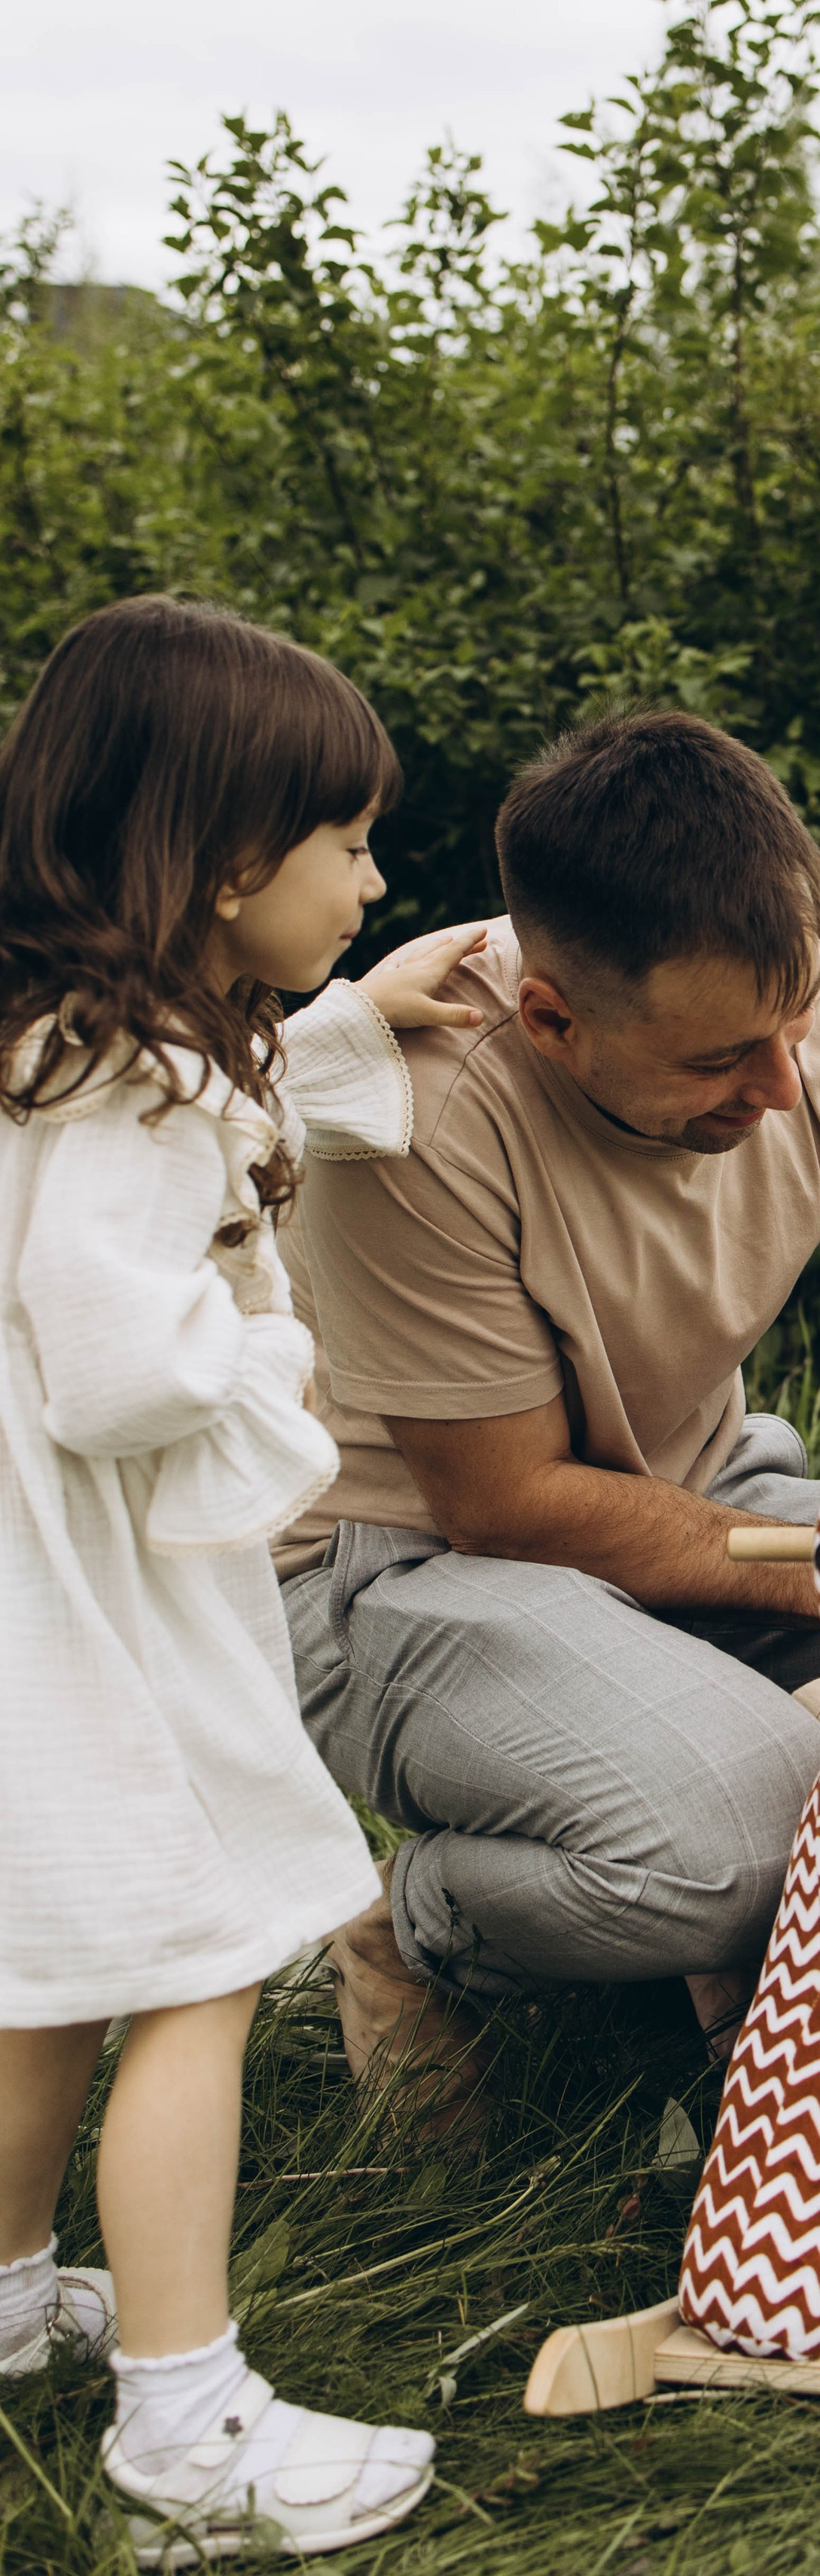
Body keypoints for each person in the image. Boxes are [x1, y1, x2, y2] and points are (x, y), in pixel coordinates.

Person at [279, 710, 820, 2095]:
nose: (782, 1086)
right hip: (392, 1569)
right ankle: (416, 1921)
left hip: (696, 1493)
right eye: (720, 1060)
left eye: (793, 1029)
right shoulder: (417, 1112)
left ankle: (732, 1987)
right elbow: (503, 1505)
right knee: (756, 1837)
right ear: (553, 1018)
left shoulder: (817, 1016)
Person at [0, 596, 483, 2557]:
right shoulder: (137, 1086)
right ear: (220, 871)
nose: (378, 874)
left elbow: (267, 1090)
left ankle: (12, 2291)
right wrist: (269, 1352)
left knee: (50, 1972)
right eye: (352, 842)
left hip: (38, 1604)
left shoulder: (66, 1041)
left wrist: (369, 1020)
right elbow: (114, 1363)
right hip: (92, 1606)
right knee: (198, 1968)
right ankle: (185, 2427)